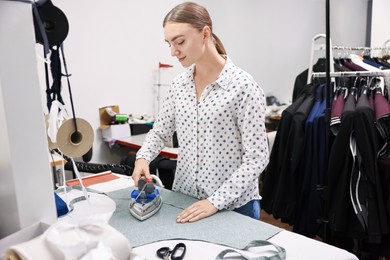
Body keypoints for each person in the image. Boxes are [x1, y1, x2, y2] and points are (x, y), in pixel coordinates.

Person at [132, 2, 269, 223]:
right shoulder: (178, 86)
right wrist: (143, 158)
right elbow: (159, 133)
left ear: (205, 33)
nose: (173, 51)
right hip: (185, 201)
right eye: (169, 43)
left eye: (180, 42)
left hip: (233, 208)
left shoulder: (243, 87)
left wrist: (215, 201)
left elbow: (257, 158)